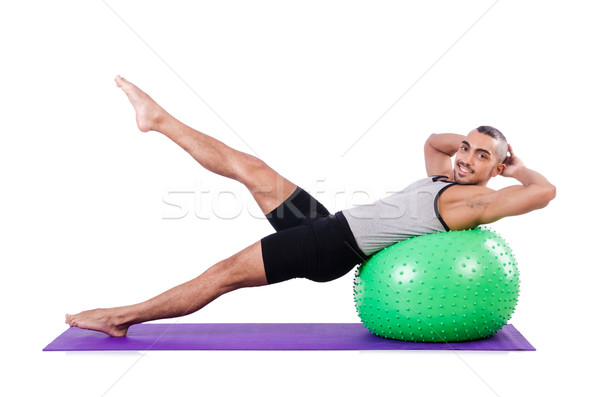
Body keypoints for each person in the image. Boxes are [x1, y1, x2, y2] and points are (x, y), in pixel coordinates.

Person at [65, 76, 556, 337]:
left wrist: (513, 168)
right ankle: (158, 119)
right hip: (330, 225)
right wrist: (475, 146)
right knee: (249, 167)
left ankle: (121, 317)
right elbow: (433, 139)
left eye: (480, 156)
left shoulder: (475, 201)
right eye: (467, 149)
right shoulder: (444, 173)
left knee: (222, 274)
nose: (465, 158)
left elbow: (544, 192)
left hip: (331, 248)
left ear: (495, 169)